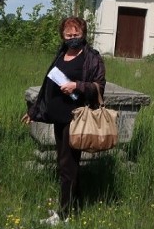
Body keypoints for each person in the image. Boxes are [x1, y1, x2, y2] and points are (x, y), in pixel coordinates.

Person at [22, 16, 106, 225]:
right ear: (63, 35)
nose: (72, 37)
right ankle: (74, 206)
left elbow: (99, 86)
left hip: (76, 118)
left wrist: (77, 86)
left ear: (83, 34)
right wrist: (34, 111)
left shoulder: (91, 57)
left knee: (67, 165)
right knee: (66, 164)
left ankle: (65, 213)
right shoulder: (62, 53)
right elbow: (47, 85)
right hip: (59, 118)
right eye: (68, 34)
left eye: (76, 34)